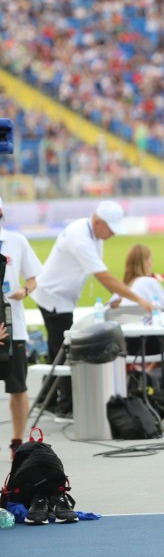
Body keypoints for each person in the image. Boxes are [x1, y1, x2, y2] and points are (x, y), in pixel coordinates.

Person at [31, 200, 153, 422]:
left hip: (59, 296)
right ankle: (65, 408)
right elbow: (104, 277)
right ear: (98, 222)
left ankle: (46, 401)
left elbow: (101, 271)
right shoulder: (80, 238)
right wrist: (138, 299)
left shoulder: (94, 235)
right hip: (54, 299)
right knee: (67, 351)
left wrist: (117, 296)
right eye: (111, 229)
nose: (113, 234)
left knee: (57, 348)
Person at [0, 196, 44, 459]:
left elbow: (33, 278)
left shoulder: (16, 242)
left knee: (17, 385)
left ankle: (17, 441)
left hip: (12, 325)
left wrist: (24, 291)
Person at [117, 244, 164, 368]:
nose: (152, 264)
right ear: (145, 262)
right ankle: (157, 379)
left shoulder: (124, 286)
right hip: (144, 343)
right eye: (151, 260)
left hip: (124, 344)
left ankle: (148, 377)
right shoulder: (149, 282)